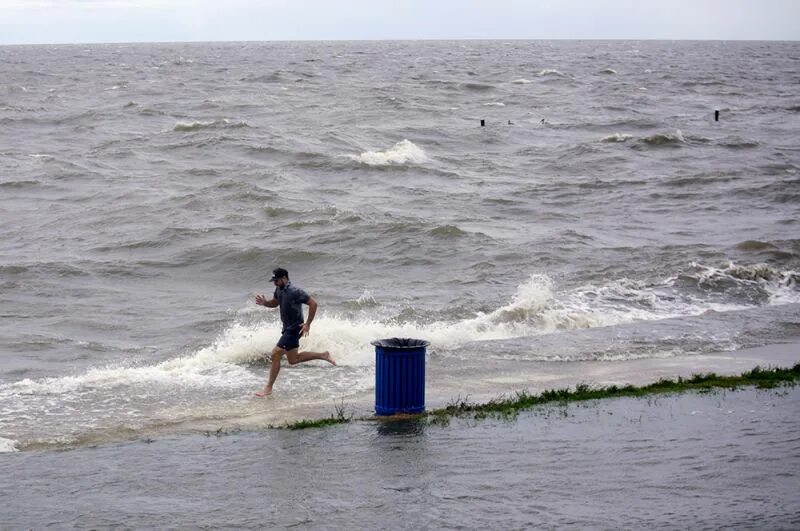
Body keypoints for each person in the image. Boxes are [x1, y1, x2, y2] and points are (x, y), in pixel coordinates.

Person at [254, 267, 336, 396]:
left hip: (295, 328)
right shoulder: (279, 290)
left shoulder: (295, 291)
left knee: (276, 353)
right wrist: (265, 303)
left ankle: (268, 388)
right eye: (274, 281)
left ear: (284, 278)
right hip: (287, 328)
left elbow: (313, 304)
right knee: (293, 359)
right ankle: (323, 355)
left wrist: (308, 324)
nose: (275, 283)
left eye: (277, 280)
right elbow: (275, 303)